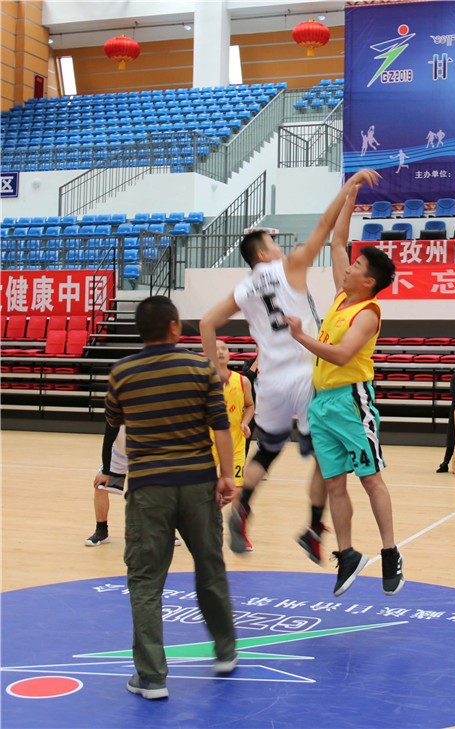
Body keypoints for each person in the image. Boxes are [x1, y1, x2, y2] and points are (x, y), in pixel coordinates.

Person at [200, 169, 380, 561]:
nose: (280, 247)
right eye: (273, 243)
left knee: (266, 452)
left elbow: (206, 323)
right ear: (263, 254)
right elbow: (325, 226)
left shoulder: (243, 289)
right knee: (327, 456)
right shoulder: (290, 266)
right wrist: (347, 189)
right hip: (304, 376)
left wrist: (215, 374)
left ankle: (243, 507)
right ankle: (314, 527)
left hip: (270, 382)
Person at [105, 295, 237, 700]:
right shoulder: (201, 368)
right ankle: (225, 651)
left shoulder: (121, 373)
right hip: (198, 483)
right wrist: (225, 476)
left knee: (146, 580)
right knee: (210, 566)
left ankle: (152, 677)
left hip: (148, 489)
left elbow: (115, 422)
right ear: (176, 327)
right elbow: (221, 426)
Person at [285, 230, 404, 598]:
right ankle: (347, 553)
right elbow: (338, 243)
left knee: (370, 479)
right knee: (334, 483)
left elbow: (340, 355)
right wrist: (348, 199)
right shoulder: (342, 296)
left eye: (357, 265)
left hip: (351, 401)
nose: (349, 267)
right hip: (321, 404)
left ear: (368, 281)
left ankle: (390, 553)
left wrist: (300, 336)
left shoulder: (367, 314)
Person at [86, 424, 182, 549]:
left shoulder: (147, 415)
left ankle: (165, 531)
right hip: (119, 455)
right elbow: (108, 442)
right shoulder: (116, 415)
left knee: (159, 489)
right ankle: (101, 531)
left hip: (145, 455)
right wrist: (105, 471)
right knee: (100, 486)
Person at [210, 339, 254, 488]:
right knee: (206, 488)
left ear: (229, 354)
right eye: (216, 349)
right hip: (209, 441)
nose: (220, 352)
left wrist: (245, 422)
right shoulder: (203, 381)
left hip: (235, 442)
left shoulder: (242, 381)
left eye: (224, 348)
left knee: (235, 489)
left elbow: (250, 405)